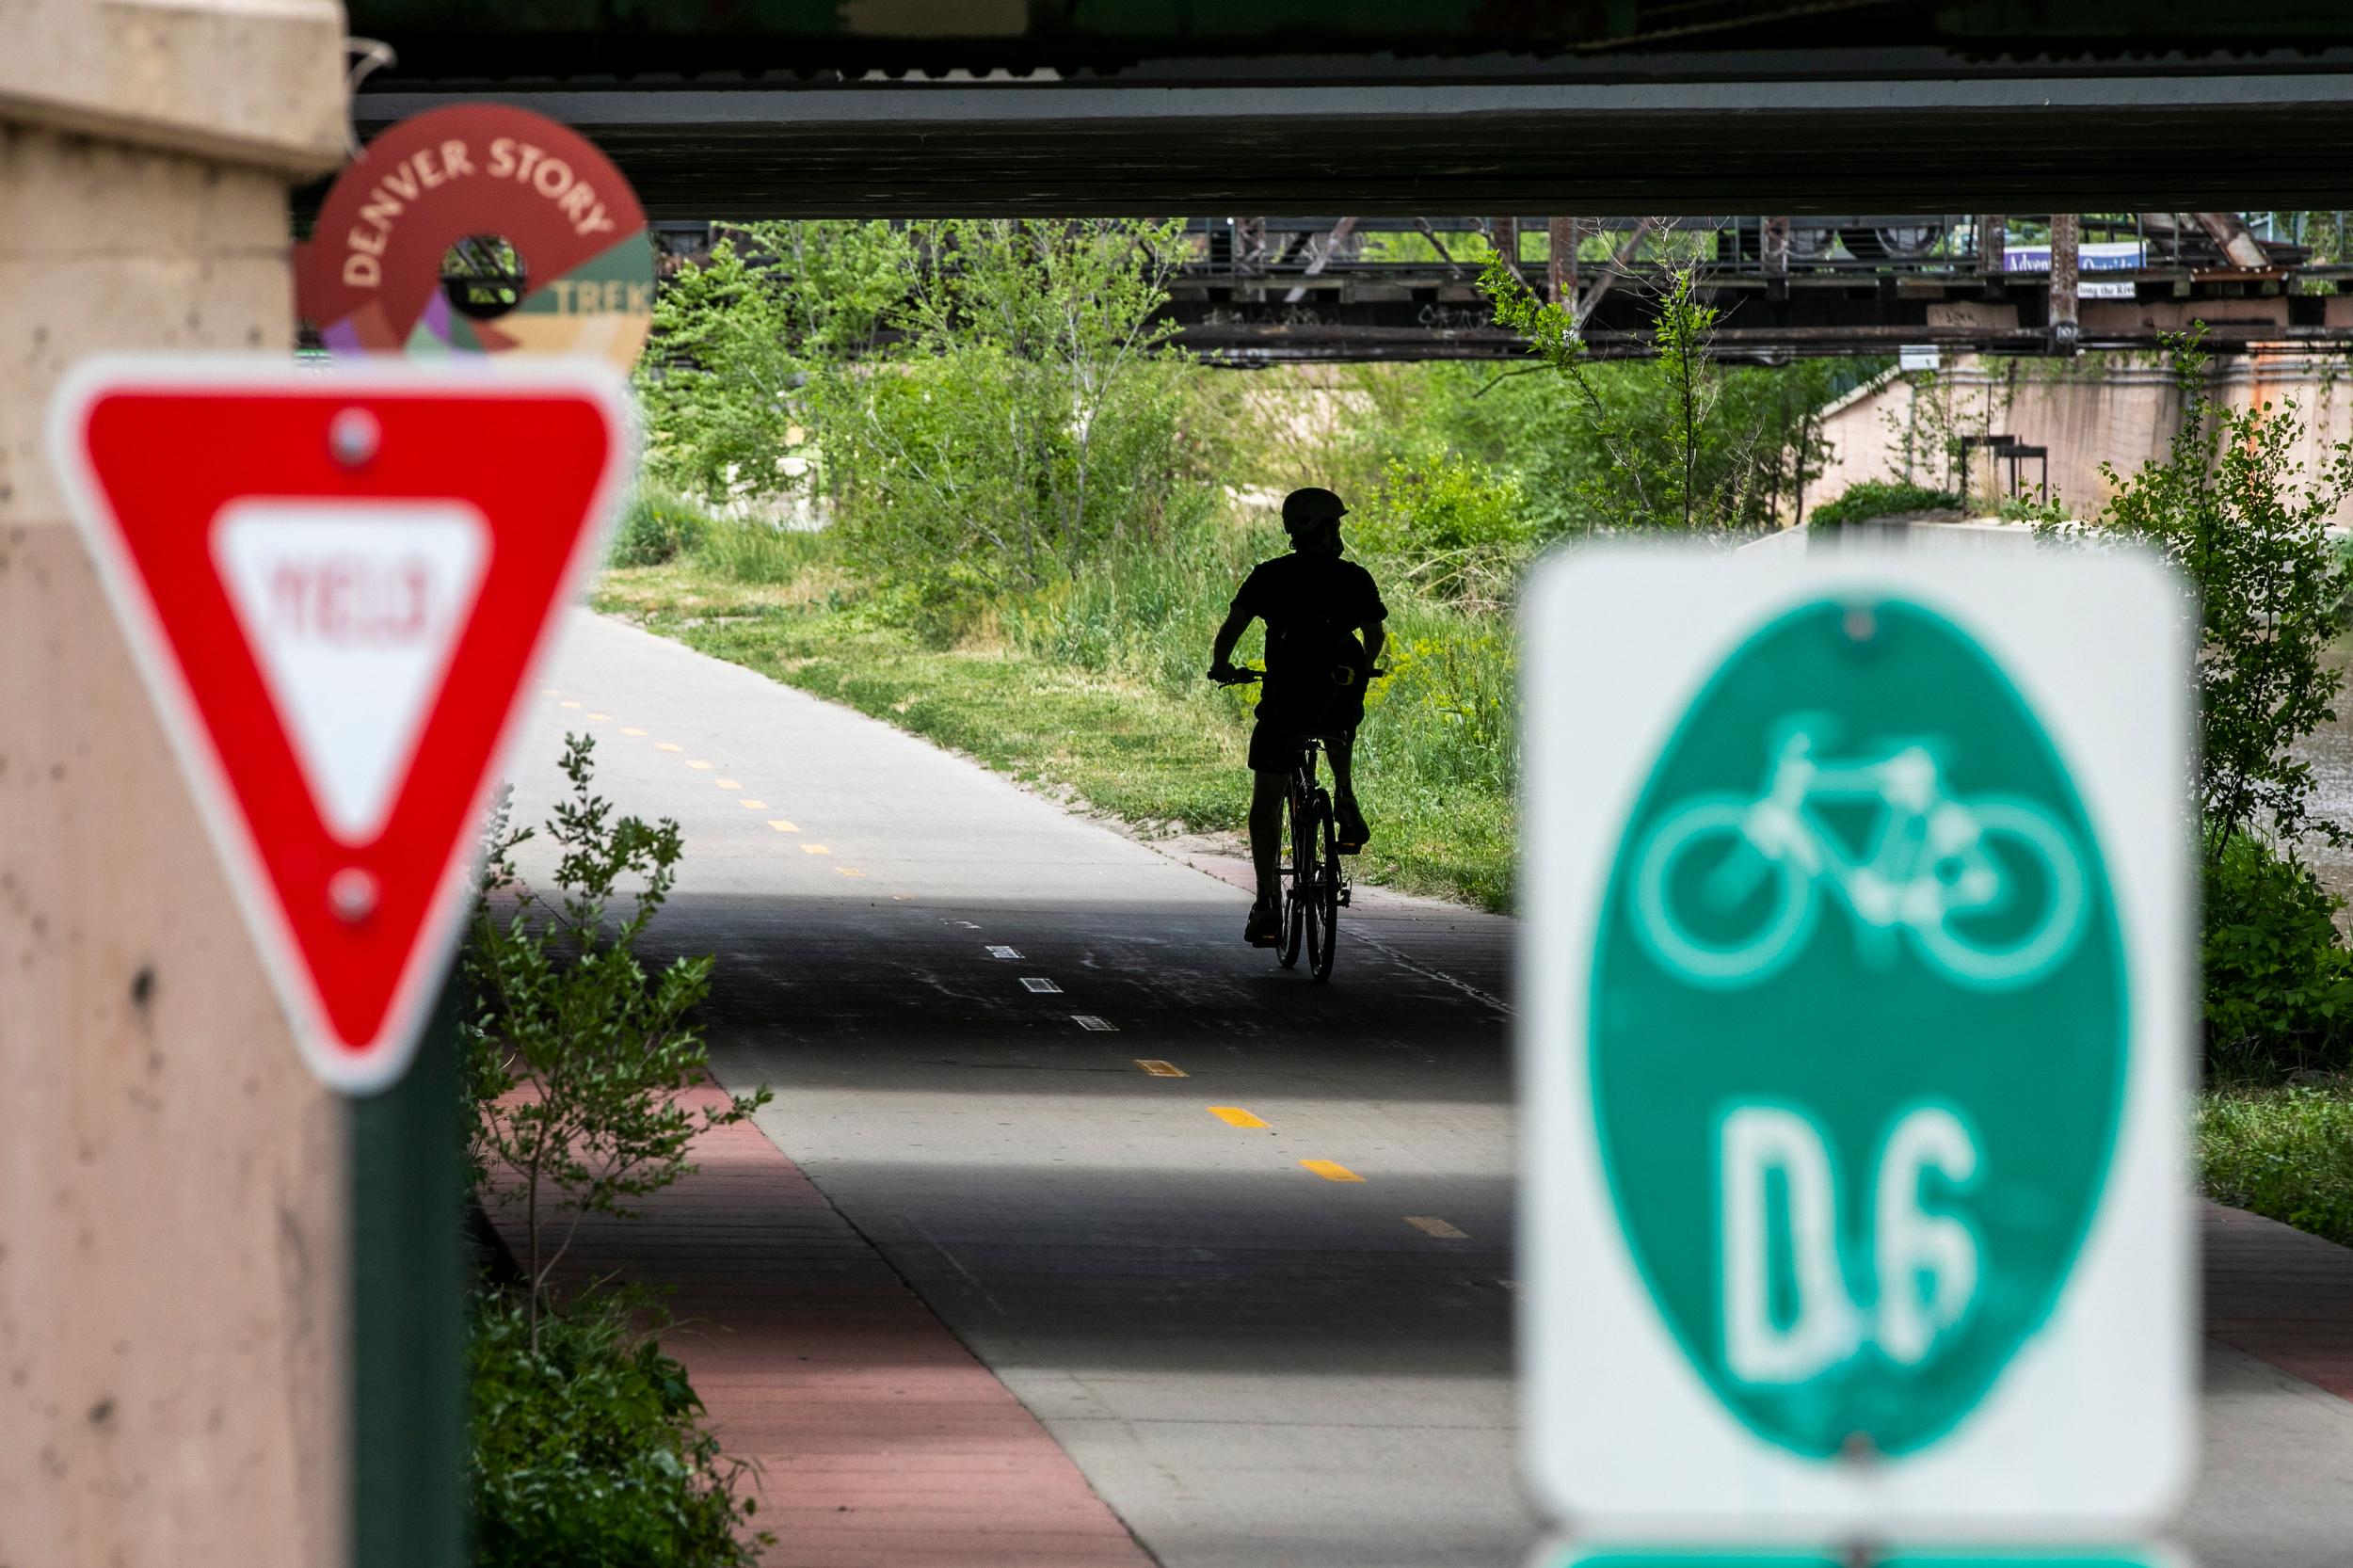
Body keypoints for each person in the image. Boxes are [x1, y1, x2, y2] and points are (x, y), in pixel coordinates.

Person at [1208, 486, 1387, 948]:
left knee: (1266, 800)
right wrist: (1363, 668)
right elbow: (1374, 635)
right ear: (1327, 529)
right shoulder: (1353, 578)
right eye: (1338, 524)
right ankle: (1344, 797)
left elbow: (1231, 629)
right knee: (1339, 720)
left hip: (1285, 697)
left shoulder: (1270, 576)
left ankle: (1268, 900)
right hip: (1336, 691)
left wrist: (1223, 665)